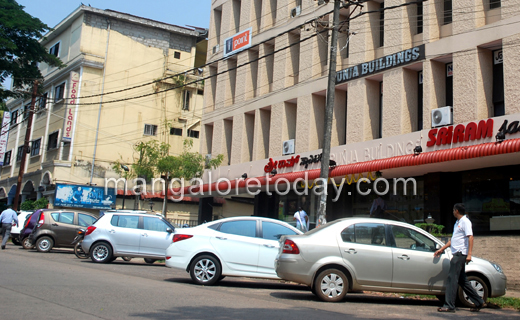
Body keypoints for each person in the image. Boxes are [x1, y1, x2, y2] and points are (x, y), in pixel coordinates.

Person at [434, 203, 485, 313]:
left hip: (460, 255)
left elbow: (470, 237)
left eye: (453, 210)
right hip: (456, 254)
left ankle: (449, 305)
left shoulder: (465, 222)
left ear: (456, 211)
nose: (453, 212)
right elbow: (453, 240)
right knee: (463, 280)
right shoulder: (457, 223)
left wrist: (469, 254)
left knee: (452, 279)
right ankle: (479, 301)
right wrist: (442, 249)